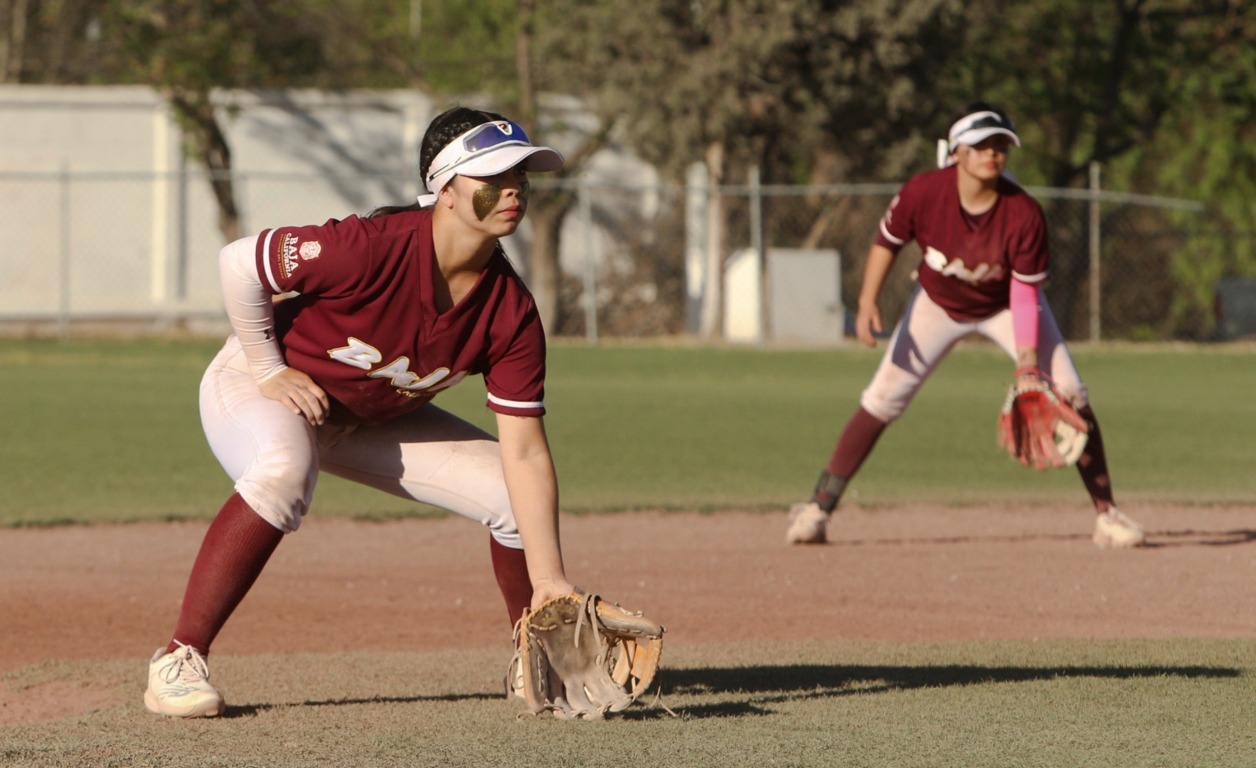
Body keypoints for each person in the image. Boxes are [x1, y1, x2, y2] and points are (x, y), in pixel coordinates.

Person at [144, 106, 579, 718]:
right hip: (259, 386)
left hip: (368, 417)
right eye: (494, 176)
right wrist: (269, 369)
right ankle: (178, 659)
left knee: (511, 494)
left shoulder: (510, 312)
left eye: (522, 176)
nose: (514, 190)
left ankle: (534, 660)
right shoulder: (372, 247)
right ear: (445, 189)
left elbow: (527, 451)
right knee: (283, 468)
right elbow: (240, 261)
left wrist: (550, 578)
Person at [785, 101, 1146, 550]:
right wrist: (865, 301)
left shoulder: (1023, 213)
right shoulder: (923, 193)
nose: (992, 154)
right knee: (881, 398)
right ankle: (818, 509)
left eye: (1000, 145)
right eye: (981, 145)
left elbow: (1025, 293)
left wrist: (1029, 365)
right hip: (937, 304)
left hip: (1005, 307)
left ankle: (1107, 514)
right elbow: (887, 242)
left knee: (1071, 392)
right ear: (956, 151)